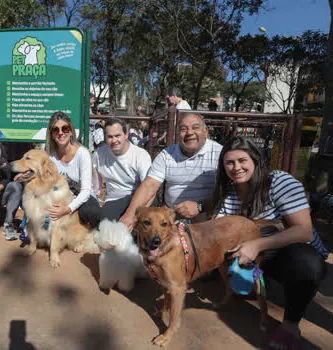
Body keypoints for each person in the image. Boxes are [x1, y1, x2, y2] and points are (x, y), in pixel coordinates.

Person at [212, 136, 328, 349]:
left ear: (255, 160)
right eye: (229, 162)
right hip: (256, 254)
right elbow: (219, 227)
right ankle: (238, 286)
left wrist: (256, 245)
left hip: (289, 249)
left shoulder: (279, 181)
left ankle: (290, 324)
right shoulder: (228, 191)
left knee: (306, 265)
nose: (236, 167)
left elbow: (303, 231)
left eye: (242, 160)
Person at [120, 113, 222, 230]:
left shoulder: (219, 153)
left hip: (208, 216)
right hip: (172, 217)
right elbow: (150, 185)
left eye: (195, 127)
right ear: (178, 134)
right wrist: (129, 216)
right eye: (183, 129)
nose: (189, 133)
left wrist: (201, 207)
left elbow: (229, 194)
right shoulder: (167, 154)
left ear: (205, 131)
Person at [79, 117, 151, 227]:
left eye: (117, 136)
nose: (114, 140)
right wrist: (96, 199)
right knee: (101, 224)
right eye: (110, 137)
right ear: (105, 138)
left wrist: (132, 215)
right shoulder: (99, 154)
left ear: (126, 135)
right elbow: (92, 180)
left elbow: (149, 188)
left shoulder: (140, 155)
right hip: (113, 199)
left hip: (136, 197)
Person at [45, 111, 93, 222]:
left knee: (91, 211)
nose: (61, 133)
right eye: (56, 130)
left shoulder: (82, 153)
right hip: (60, 197)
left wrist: (68, 208)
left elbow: (86, 191)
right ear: (51, 134)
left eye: (65, 128)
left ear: (71, 131)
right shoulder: (49, 155)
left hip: (82, 198)